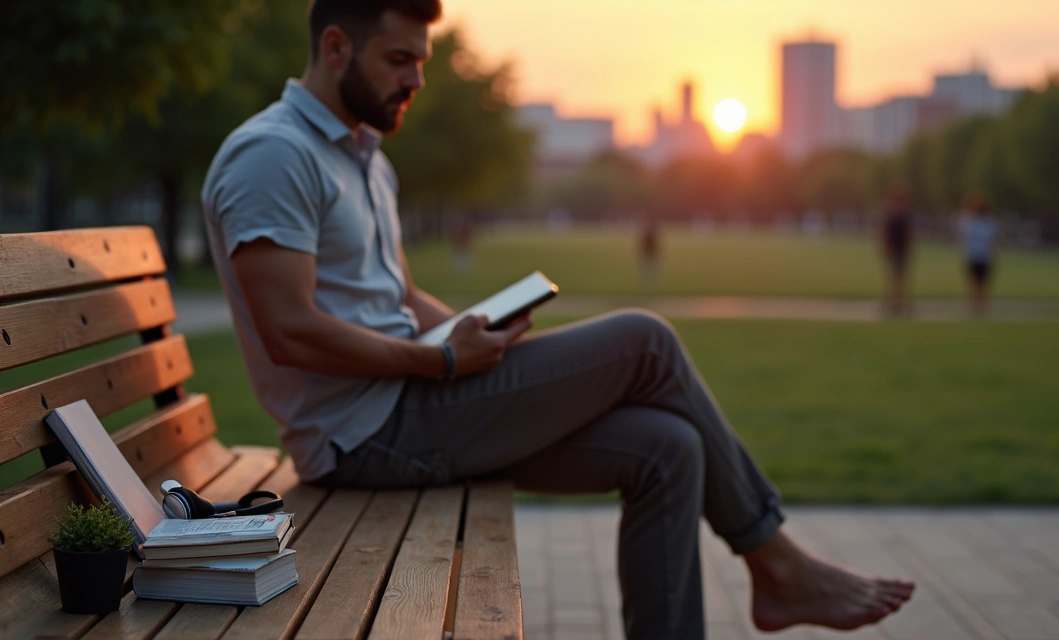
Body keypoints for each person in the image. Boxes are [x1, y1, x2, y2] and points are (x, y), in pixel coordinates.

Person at [199, 1, 915, 637]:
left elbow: (401, 298)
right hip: (362, 436)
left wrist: (479, 338)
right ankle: (780, 564)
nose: (416, 80)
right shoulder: (275, 155)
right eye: (398, 60)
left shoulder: (363, 159)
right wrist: (444, 362)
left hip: (413, 407)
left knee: (669, 447)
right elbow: (288, 331)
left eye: (421, 61)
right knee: (646, 340)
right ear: (334, 48)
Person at [958, 193, 998, 316]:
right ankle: (973, 306)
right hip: (972, 255)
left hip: (983, 256)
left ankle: (982, 307)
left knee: (983, 282)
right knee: (973, 282)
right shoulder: (967, 220)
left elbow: (991, 240)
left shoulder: (988, 222)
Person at [879, 185, 914, 316]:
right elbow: (885, 233)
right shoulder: (893, 215)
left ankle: (898, 302)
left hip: (900, 250)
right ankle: (895, 302)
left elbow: (907, 234)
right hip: (896, 250)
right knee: (896, 277)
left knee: (898, 277)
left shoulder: (901, 215)